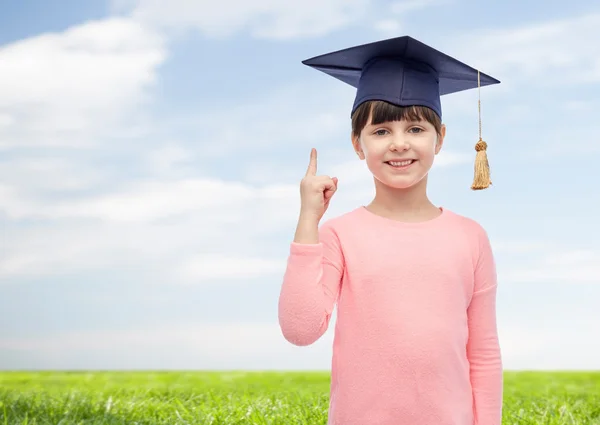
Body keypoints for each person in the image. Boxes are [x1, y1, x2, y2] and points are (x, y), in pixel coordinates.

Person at [277, 36, 503, 425]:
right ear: (357, 144)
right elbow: (300, 330)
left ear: (440, 138)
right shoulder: (338, 235)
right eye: (380, 131)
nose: (399, 144)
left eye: (416, 129)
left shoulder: (470, 238)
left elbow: (483, 353)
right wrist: (307, 222)